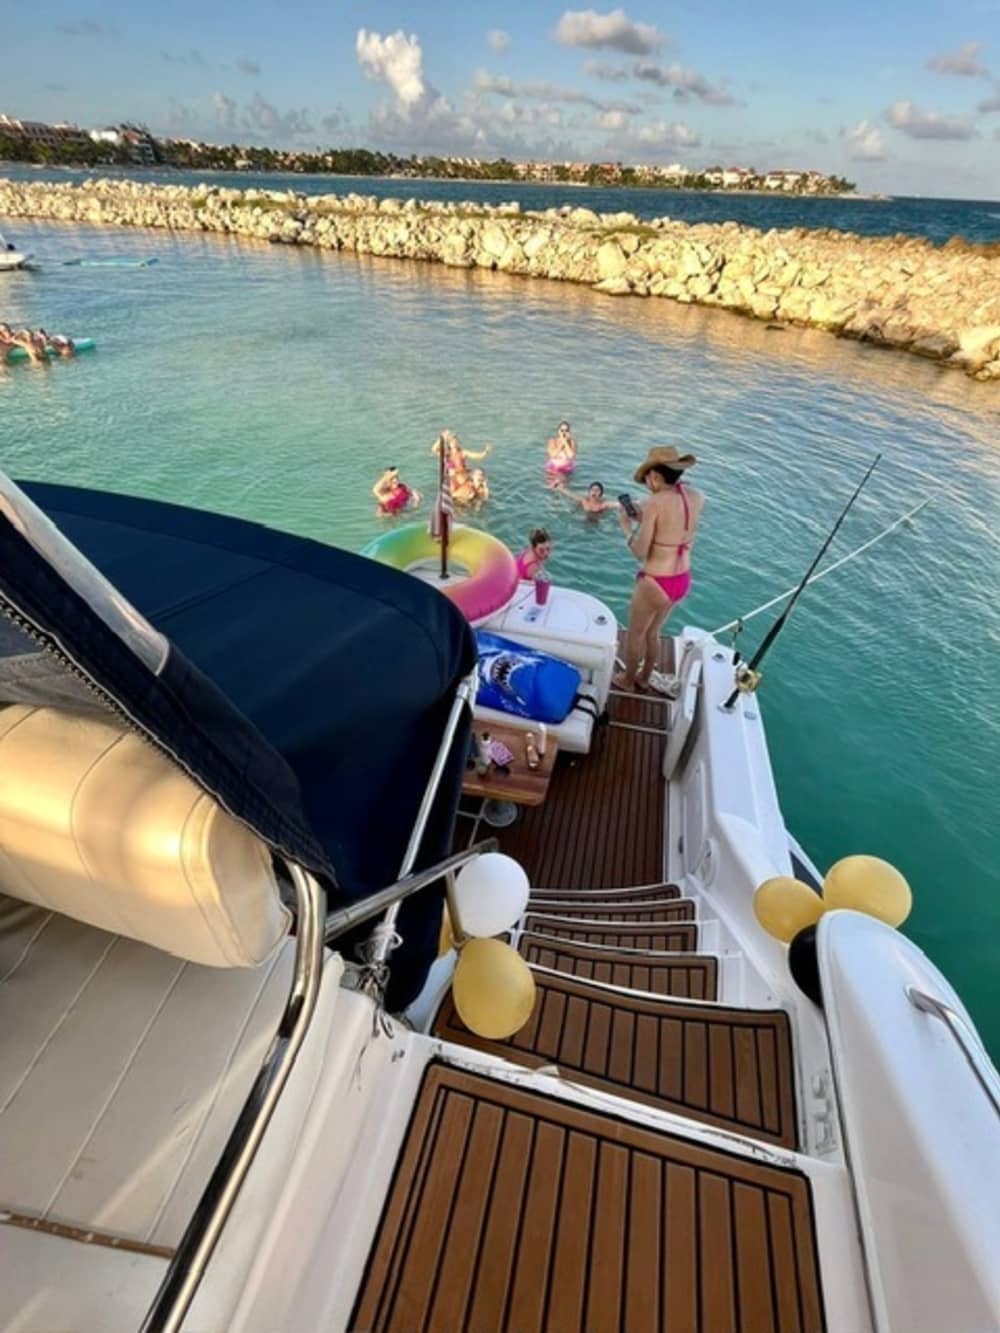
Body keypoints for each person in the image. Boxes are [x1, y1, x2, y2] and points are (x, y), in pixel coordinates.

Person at [614, 446, 704, 692]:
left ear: (654, 476)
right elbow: (675, 525)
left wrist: (626, 527)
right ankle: (644, 679)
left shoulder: (655, 503)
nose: (646, 483)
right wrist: (645, 517)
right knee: (654, 632)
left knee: (635, 635)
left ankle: (627, 681)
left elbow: (640, 552)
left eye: (647, 478)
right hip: (681, 579)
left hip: (655, 581)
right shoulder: (696, 497)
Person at [545, 421, 577, 487]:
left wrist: (565, 442)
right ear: (558, 431)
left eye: (566, 430)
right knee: (552, 486)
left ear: (569, 432)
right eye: (562, 430)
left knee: (562, 486)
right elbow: (553, 455)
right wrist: (562, 443)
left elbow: (571, 456)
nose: (564, 432)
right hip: (553, 468)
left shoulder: (572, 442)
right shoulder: (552, 441)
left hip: (566, 469)